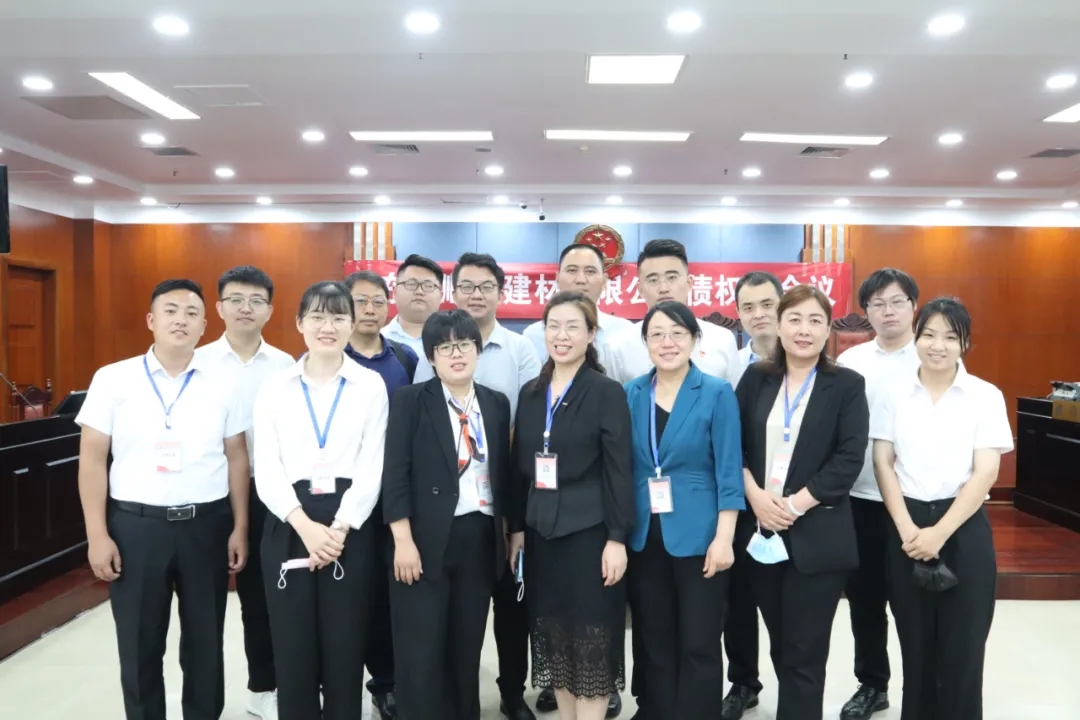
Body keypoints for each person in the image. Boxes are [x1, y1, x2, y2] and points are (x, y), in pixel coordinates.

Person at [76, 278, 250, 720]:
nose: (181, 320)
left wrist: (240, 527)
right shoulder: (112, 379)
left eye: (192, 313)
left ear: (205, 325)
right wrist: (97, 535)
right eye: (170, 311)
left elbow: (236, 457)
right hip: (136, 528)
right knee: (139, 643)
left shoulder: (225, 382)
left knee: (206, 642)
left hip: (206, 526)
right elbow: (92, 460)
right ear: (151, 320)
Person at [602, 238, 739, 718]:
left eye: (677, 333)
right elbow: (622, 467)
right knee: (653, 636)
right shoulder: (630, 393)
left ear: (694, 340)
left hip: (701, 536)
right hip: (644, 534)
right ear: (645, 344)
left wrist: (725, 538)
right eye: (657, 334)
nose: (667, 342)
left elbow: (728, 471)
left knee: (699, 639)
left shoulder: (716, 392)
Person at [870, 297, 1012, 720]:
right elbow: (883, 462)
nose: (938, 345)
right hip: (907, 527)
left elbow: (986, 472)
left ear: (965, 343)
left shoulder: (985, 395)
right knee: (915, 646)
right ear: (916, 337)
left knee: (963, 647)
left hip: (963, 527)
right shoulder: (893, 394)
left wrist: (940, 533)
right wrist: (907, 528)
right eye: (929, 334)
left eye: (951, 337)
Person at [253, 280, 389, 720]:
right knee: (292, 647)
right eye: (317, 317)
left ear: (351, 324)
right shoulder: (275, 387)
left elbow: (372, 464)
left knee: (345, 644)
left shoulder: (370, 385)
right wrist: (305, 527)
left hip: (349, 525)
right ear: (299, 323)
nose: (327, 327)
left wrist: (339, 529)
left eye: (337, 317)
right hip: (289, 520)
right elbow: (266, 467)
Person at [414, 253, 542, 720]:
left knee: (504, 614)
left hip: (498, 502)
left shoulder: (518, 354)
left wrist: (513, 522)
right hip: (444, 513)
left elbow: (524, 429)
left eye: (486, 286)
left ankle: (509, 693)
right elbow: (420, 433)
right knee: (447, 624)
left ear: (501, 293)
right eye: (466, 285)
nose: (476, 294)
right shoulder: (430, 355)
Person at [734, 284, 868, 720]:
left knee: (804, 651)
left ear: (828, 329)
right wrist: (755, 495)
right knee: (781, 645)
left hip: (817, 533)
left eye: (815, 321)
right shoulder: (756, 378)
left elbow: (848, 458)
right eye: (794, 319)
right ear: (778, 325)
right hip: (761, 530)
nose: (804, 330)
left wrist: (794, 506)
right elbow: (731, 446)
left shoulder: (846, 384)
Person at [507, 291, 634, 720]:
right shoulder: (530, 393)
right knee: (554, 636)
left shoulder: (606, 392)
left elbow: (619, 470)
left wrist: (617, 538)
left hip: (591, 532)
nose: (561, 336)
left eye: (573, 327)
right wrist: (517, 530)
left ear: (591, 334)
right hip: (541, 531)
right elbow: (518, 467)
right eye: (553, 326)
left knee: (590, 638)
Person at [383, 309, 513, 720]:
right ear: (431, 357)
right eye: (445, 347)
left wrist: (510, 533)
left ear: (478, 350)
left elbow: (504, 475)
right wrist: (402, 540)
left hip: (480, 536)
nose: (456, 354)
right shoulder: (409, 401)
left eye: (464, 344)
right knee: (420, 647)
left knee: (466, 643)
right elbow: (395, 473)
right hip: (423, 539)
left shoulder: (495, 403)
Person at [194, 265, 294, 720]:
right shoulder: (197, 362)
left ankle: (265, 685)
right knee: (204, 599)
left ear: (270, 310)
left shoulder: (286, 365)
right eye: (236, 299)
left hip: (267, 491)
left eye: (256, 301)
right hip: (209, 490)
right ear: (218, 308)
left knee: (261, 594)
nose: (245, 308)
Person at [835, 268, 922, 720]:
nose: (888, 311)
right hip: (859, 499)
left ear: (914, 306)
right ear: (865, 311)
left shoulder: (933, 354)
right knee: (865, 599)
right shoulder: (852, 362)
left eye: (897, 301)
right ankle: (872, 685)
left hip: (915, 502)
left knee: (915, 603)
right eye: (878, 304)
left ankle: (921, 690)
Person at [344, 269, 420, 719]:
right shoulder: (328, 356)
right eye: (360, 301)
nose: (370, 309)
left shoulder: (405, 358)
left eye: (378, 301)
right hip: (346, 495)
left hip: (394, 493)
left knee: (391, 592)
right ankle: (344, 682)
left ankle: (389, 682)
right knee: (352, 593)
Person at [722, 270, 783, 720]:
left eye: (767, 304)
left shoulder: (812, 361)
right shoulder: (730, 367)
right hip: (741, 500)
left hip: (793, 505)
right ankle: (743, 682)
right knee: (737, 602)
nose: (758, 314)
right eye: (748, 307)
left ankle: (795, 684)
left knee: (786, 607)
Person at [604, 239, 740, 386]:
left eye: (672, 278)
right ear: (640, 289)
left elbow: (734, 397)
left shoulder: (722, 339)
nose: (663, 288)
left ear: (689, 283)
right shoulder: (619, 345)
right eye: (653, 280)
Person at [523, 242, 632, 362]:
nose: (581, 280)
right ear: (557, 278)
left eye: (590, 271)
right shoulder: (534, 336)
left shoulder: (625, 332)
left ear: (604, 281)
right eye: (572, 270)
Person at [382, 253, 446, 356]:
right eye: (411, 284)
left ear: (441, 295)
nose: (419, 291)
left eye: (428, 286)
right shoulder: (379, 340)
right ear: (395, 291)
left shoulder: (454, 341)